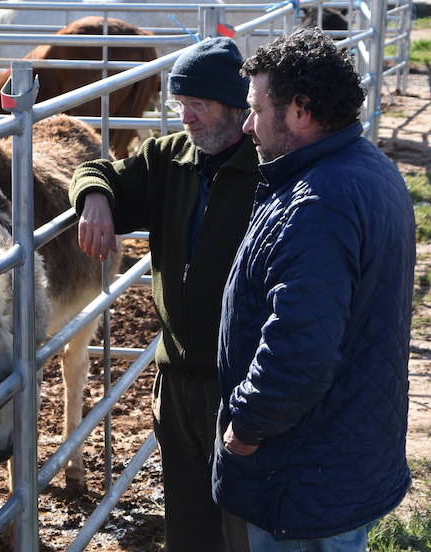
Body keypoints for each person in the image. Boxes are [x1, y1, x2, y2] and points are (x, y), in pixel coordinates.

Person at [213, 28, 415, 551]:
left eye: (257, 108)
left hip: (302, 472)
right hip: (346, 450)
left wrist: (247, 428)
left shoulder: (316, 203)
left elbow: (300, 346)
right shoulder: (368, 167)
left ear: (301, 110)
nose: (249, 124)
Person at [68, 37, 257, 552]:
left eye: (199, 105)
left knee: (242, 525)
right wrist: (95, 199)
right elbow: (97, 170)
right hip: (176, 376)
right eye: (180, 105)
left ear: (238, 108)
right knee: (188, 526)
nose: (186, 118)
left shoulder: (267, 168)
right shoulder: (170, 158)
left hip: (239, 378)